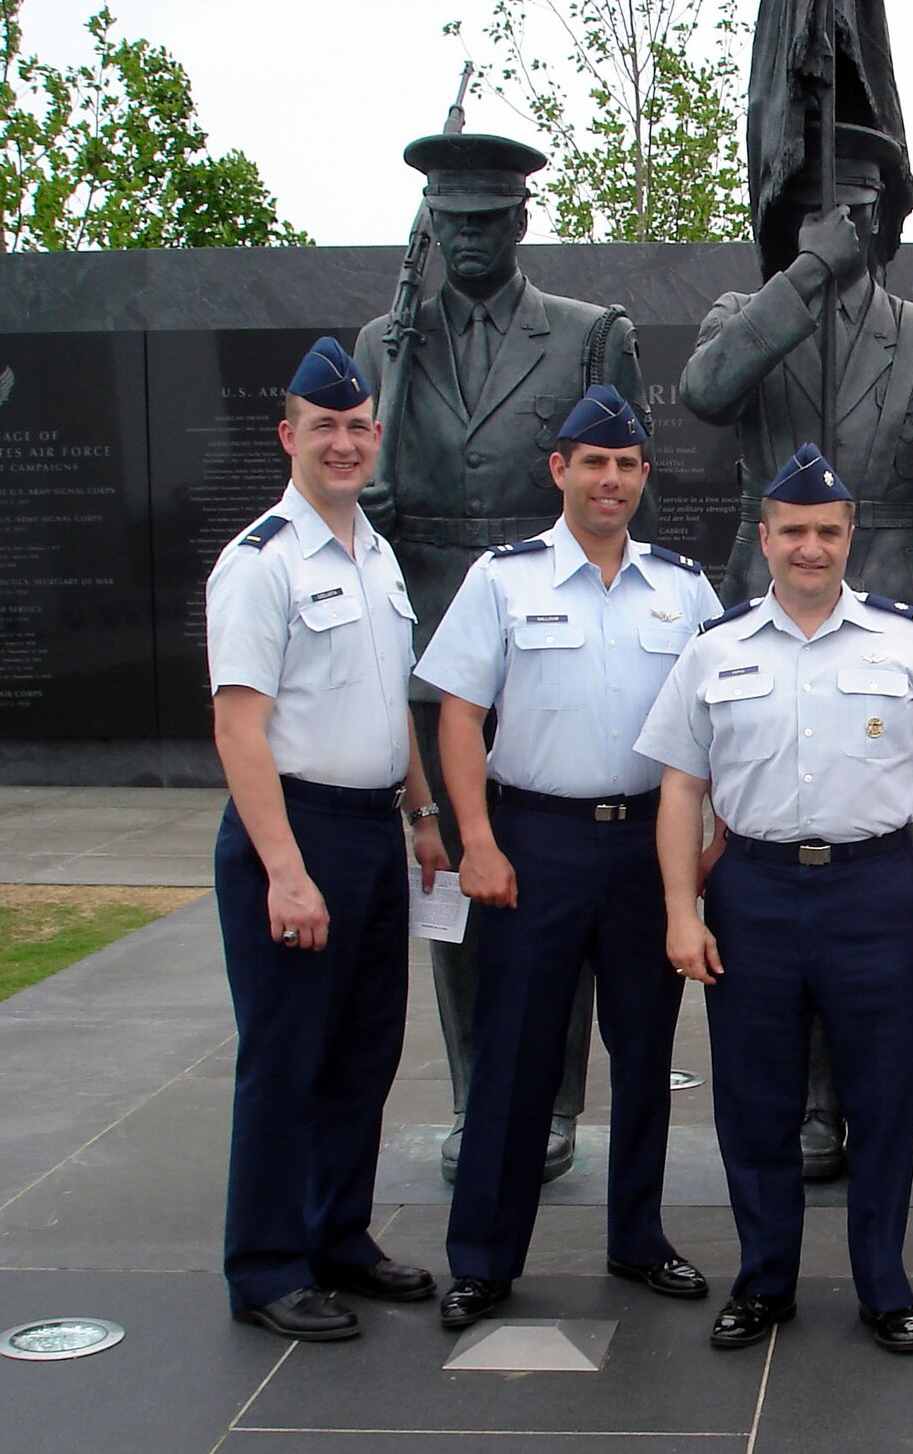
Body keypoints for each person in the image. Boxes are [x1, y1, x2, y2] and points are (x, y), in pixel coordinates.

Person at [680, 120, 913, 1179]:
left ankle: (863, 1081)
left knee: (871, 867)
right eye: (826, 208)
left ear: (892, 221)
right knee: (767, 851)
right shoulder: (748, 313)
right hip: (766, 616)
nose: (849, 224)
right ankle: (799, 1098)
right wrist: (805, 274)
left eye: (865, 209)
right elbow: (707, 391)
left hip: (884, 616)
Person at [640, 444, 913, 1355]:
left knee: (884, 1100)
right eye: (793, 531)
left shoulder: (906, 638)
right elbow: (682, 786)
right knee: (755, 1105)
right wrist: (682, 910)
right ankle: (765, 1280)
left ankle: (883, 1282)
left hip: (873, 891)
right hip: (752, 891)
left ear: (850, 538)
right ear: (764, 539)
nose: (810, 547)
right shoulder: (715, 649)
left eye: (827, 531)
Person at [355, 131, 650, 1184]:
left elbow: (609, 483)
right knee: (449, 878)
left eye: (487, 221)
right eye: (450, 222)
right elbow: (352, 495)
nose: (468, 240)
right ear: (429, 224)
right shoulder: (386, 340)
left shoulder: (585, 337)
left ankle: (556, 1099)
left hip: (549, 634)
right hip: (434, 640)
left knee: (552, 876)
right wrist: (373, 509)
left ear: (520, 220)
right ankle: (481, 1086)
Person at [410, 386, 721, 1329]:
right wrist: (478, 842)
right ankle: (484, 1257)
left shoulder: (683, 587)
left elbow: (723, 714)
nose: (611, 480)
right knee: (514, 1056)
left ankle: (637, 1238)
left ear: (642, 477)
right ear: (560, 471)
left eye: (627, 465)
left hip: (645, 846)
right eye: (594, 463)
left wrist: (708, 847)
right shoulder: (504, 581)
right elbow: (458, 712)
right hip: (534, 842)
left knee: (645, 1055)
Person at [207, 337, 449, 1341]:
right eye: (325, 428)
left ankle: (337, 1235)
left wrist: (424, 812)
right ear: (289, 437)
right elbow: (238, 722)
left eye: (357, 428)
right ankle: (265, 1264)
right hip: (295, 830)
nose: (343, 444)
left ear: (375, 436)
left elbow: (388, 705)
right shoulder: (259, 562)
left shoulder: (375, 554)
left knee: (361, 1051)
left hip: (370, 831)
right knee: (286, 1058)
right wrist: (284, 871)